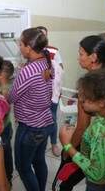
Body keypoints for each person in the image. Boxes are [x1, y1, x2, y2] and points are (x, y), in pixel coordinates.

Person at [58, 35, 105, 191]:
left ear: (93, 57)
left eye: (81, 53)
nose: (78, 58)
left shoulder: (89, 86)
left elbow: (83, 126)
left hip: (87, 150)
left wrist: (68, 148)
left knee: (60, 185)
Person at [60, 69, 105, 191]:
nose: (81, 100)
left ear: (101, 102)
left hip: (98, 185)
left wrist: (68, 146)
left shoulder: (99, 130)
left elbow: (96, 173)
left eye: (84, 98)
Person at [9, 27, 54, 191]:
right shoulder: (46, 62)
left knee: (23, 167)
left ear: (29, 47)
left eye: (21, 44)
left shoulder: (28, 70)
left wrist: (2, 91)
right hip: (45, 122)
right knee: (38, 160)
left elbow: (12, 97)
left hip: (30, 127)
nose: (19, 47)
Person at [37, 26, 64, 157]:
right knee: (39, 119)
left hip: (52, 92)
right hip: (38, 93)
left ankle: (53, 143)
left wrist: (59, 89)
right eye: (40, 35)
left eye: (45, 35)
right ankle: (40, 145)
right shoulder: (32, 52)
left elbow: (60, 69)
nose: (43, 38)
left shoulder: (53, 51)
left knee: (52, 118)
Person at [0, 59, 15, 185]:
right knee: (4, 152)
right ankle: (6, 176)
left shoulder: (4, 90)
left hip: (3, 128)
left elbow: (2, 113)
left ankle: (7, 177)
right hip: (5, 126)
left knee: (5, 152)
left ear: (1, 74)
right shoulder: (2, 87)